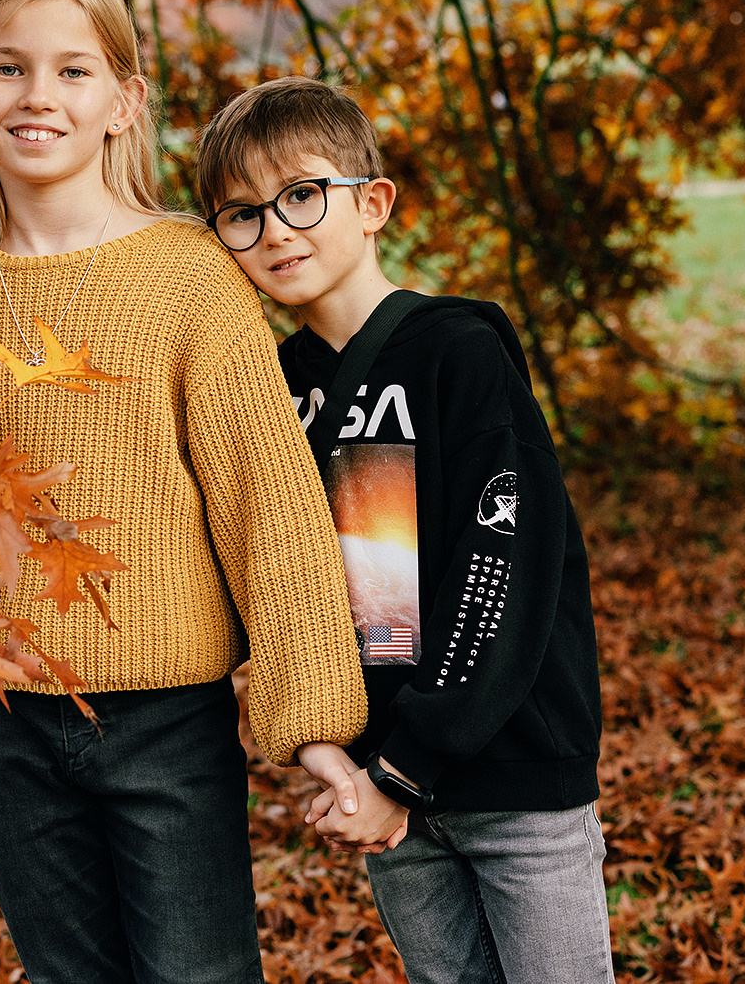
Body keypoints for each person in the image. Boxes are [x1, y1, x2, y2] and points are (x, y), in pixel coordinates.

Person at [0, 0, 368, 984]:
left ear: (123, 102)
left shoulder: (187, 276)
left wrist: (311, 722)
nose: (37, 94)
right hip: (2, 715)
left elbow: (269, 506)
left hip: (165, 713)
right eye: (8, 68)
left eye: (71, 71)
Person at [196, 76, 611, 984]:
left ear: (373, 202)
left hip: (512, 776)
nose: (275, 230)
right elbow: (273, 575)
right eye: (241, 214)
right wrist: (356, 767)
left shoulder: (456, 351)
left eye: (302, 194)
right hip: (382, 787)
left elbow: (502, 564)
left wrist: (406, 770)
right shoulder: (271, 389)